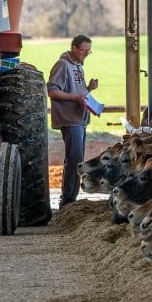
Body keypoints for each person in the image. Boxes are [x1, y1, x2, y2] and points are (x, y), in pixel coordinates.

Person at [47, 34, 99, 207]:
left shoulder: (78, 66)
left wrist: (88, 88)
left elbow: (79, 92)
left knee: (78, 159)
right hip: (70, 118)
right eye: (84, 51)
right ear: (74, 48)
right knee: (74, 159)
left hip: (79, 118)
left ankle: (71, 197)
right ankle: (67, 199)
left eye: (88, 52)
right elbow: (52, 91)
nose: (86, 54)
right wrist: (75, 98)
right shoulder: (62, 65)